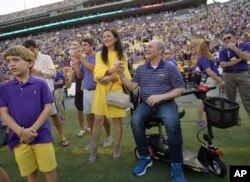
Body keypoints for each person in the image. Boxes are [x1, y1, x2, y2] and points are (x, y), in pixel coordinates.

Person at [117, 40, 186, 182]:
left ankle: (176, 166)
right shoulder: (141, 69)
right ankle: (145, 157)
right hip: (147, 104)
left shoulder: (170, 68)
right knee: (135, 120)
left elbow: (180, 89)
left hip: (166, 103)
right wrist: (122, 75)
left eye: (150, 47)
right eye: (146, 46)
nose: (145, 48)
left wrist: (161, 96)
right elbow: (132, 86)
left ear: (159, 51)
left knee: (173, 125)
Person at [0, 45, 57, 181]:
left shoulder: (41, 84)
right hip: (18, 138)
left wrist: (32, 130)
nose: (11, 64)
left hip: (42, 134)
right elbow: (4, 113)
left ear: (29, 63)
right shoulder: (4, 88)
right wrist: (21, 132)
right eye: (8, 61)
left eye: (15, 60)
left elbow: (47, 107)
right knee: (30, 172)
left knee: (49, 169)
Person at [88, 29, 131, 163]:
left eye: (108, 36)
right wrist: (111, 71)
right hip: (101, 91)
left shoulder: (122, 56)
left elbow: (127, 76)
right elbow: (97, 74)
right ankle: (94, 149)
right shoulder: (100, 54)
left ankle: (117, 147)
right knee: (97, 121)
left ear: (115, 38)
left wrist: (112, 78)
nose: (105, 39)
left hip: (116, 91)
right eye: (104, 37)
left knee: (117, 121)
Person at [23, 39, 69, 146]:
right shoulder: (25, 61)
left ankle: (62, 136)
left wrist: (38, 71)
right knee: (37, 119)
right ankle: (47, 140)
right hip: (32, 93)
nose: (29, 52)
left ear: (36, 48)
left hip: (46, 92)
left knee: (54, 115)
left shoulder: (45, 58)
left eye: (31, 49)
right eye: (27, 51)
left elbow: (53, 73)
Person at [73, 37, 113, 148]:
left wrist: (81, 60)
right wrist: (76, 65)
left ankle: (109, 136)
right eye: (82, 45)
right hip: (86, 90)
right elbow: (80, 76)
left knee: (102, 117)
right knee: (90, 117)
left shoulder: (98, 56)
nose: (83, 47)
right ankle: (94, 140)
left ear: (92, 46)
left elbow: (96, 70)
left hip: (98, 90)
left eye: (85, 45)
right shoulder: (84, 59)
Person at [219, 30, 250, 122]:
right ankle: (235, 119)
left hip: (243, 73)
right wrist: (239, 59)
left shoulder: (245, 45)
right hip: (228, 75)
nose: (227, 40)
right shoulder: (223, 51)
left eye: (229, 37)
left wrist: (235, 49)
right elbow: (222, 65)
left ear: (235, 37)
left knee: (247, 97)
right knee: (230, 99)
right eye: (224, 39)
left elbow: (248, 58)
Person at [196, 39, 225, 128]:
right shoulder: (202, 57)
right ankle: (200, 121)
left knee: (208, 101)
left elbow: (213, 70)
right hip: (208, 81)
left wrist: (219, 79)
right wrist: (219, 80)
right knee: (205, 101)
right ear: (206, 46)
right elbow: (209, 71)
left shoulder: (206, 56)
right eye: (211, 45)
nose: (212, 46)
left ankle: (210, 120)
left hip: (211, 80)